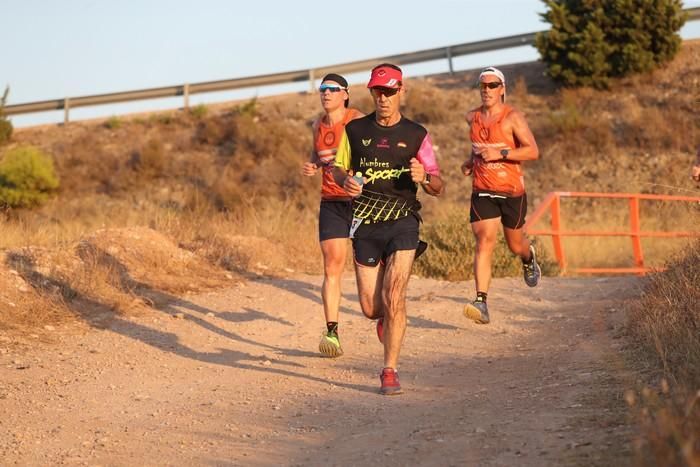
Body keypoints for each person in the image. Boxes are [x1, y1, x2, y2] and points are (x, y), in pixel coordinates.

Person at [333, 63, 444, 395]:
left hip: (403, 222)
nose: (383, 98)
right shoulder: (354, 131)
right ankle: (385, 318)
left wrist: (425, 179)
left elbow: (439, 184)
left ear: (401, 92)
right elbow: (340, 169)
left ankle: (389, 370)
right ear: (371, 93)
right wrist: (346, 182)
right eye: (377, 92)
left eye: (389, 92)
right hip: (365, 223)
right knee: (372, 307)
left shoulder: (417, 134)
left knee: (395, 296)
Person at [460, 66, 540, 325]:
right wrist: (471, 162)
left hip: (511, 192)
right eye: (483, 85)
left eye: (492, 85)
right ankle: (481, 302)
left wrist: (501, 154)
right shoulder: (471, 117)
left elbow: (532, 151)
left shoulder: (512, 117)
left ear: (502, 89)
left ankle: (528, 258)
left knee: (515, 244)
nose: (487, 90)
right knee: (484, 241)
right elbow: (478, 148)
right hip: (482, 190)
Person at [303, 73, 363, 358]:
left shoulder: (356, 120)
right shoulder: (317, 125)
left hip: (362, 202)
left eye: (332, 89)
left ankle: (381, 314)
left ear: (345, 94)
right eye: (322, 89)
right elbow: (319, 155)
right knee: (332, 265)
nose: (326, 94)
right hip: (331, 202)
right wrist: (314, 165)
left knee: (368, 271)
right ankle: (332, 331)